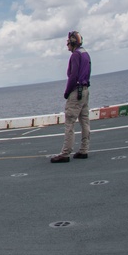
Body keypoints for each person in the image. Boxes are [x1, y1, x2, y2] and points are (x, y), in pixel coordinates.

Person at [51, 31, 91, 163]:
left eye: (68, 42)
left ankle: (65, 153)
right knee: (84, 121)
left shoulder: (75, 55)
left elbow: (73, 76)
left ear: (73, 42)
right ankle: (84, 150)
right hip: (85, 90)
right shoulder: (85, 53)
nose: (67, 45)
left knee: (70, 123)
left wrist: (67, 92)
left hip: (76, 92)